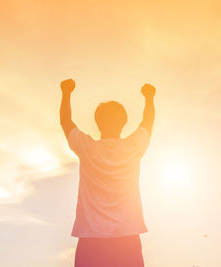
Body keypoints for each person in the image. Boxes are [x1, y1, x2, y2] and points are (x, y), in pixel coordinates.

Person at [59, 79, 156, 267]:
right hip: (127, 238)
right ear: (124, 123)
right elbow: (148, 122)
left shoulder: (87, 148)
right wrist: (149, 98)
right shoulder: (133, 147)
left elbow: (66, 122)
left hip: (91, 240)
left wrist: (66, 92)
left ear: (98, 123)